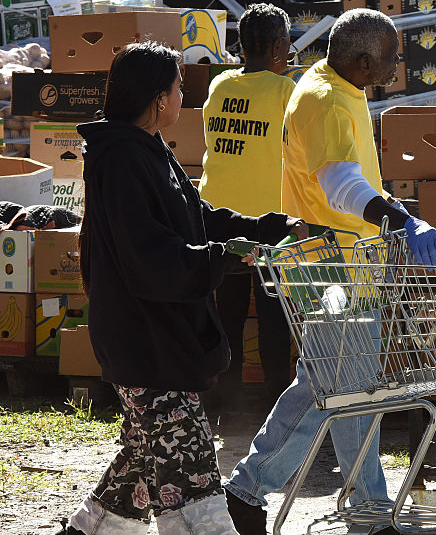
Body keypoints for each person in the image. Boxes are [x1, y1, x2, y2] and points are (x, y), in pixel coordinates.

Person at [225, 9, 436, 535]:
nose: (397, 65)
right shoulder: (325, 100)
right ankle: (249, 487)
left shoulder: (334, 85)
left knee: (350, 391)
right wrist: (401, 219)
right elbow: (340, 185)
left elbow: (353, 177)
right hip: (331, 270)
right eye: (392, 57)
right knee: (329, 391)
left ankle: (368, 508)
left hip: (344, 265)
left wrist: (392, 210)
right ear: (365, 60)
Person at [64, 42, 304, 534]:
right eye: (178, 88)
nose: (182, 98)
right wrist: (220, 258)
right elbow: (149, 253)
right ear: (157, 99)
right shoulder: (123, 159)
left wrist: (265, 228)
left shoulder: (148, 150)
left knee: (143, 459)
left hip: (159, 334)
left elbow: (196, 218)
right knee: (191, 473)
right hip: (144, 338)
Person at [200, 3, 297, 417]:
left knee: (229, 313)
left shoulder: (220, 85)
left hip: (218, 220)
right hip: (267, 224)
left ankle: (226, 404)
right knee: (274, 315)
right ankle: (276, 408)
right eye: (289, 45)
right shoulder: (285, 91)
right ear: (278, 47)